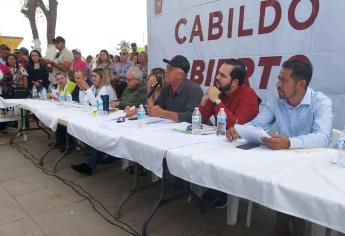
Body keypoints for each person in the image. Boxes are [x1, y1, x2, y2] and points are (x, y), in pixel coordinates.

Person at [227, 60, 333, 236]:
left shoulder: (321, 102)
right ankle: (286, 219)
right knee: (270, 174)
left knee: (291, 180)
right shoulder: (276, 101)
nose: (277, 84)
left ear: (301, 84)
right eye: (278, 79)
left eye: (284, 80)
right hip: (283, 161)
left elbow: (322, 137)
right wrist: (238, 130)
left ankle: (289, 220)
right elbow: (258, 124)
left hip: (313, 164)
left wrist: (290, 143)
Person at [71, 68, 117, 176]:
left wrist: (87, 88)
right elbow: (84, 103)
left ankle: (90, 164)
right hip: (101, 117)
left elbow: (97, 106)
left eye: (95, 76)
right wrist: (82, 90)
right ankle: (94, 157)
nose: (92, 78)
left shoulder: (105, 88)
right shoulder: (93, 88)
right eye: (92, 76)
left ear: (102, 77)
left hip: (111, 119)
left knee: (99, 136)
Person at [199, 58, 259, 129]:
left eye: (222, 75)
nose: (217, 77)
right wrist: (204, 100)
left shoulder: (249, 96)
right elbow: (200, 122)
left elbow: (235, 127)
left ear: (234, 82)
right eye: (218, 73)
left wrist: (217, 101)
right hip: (219, 136)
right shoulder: (219, 90)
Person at [146, 55, 203, 123]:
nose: (166, 71)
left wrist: (163, 113)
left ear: (180, 75)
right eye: (167, 67)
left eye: (170, 69)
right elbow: (154, 111)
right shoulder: (166, 89)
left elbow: (191, 117)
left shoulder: (194, 90)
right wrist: (151, 89)